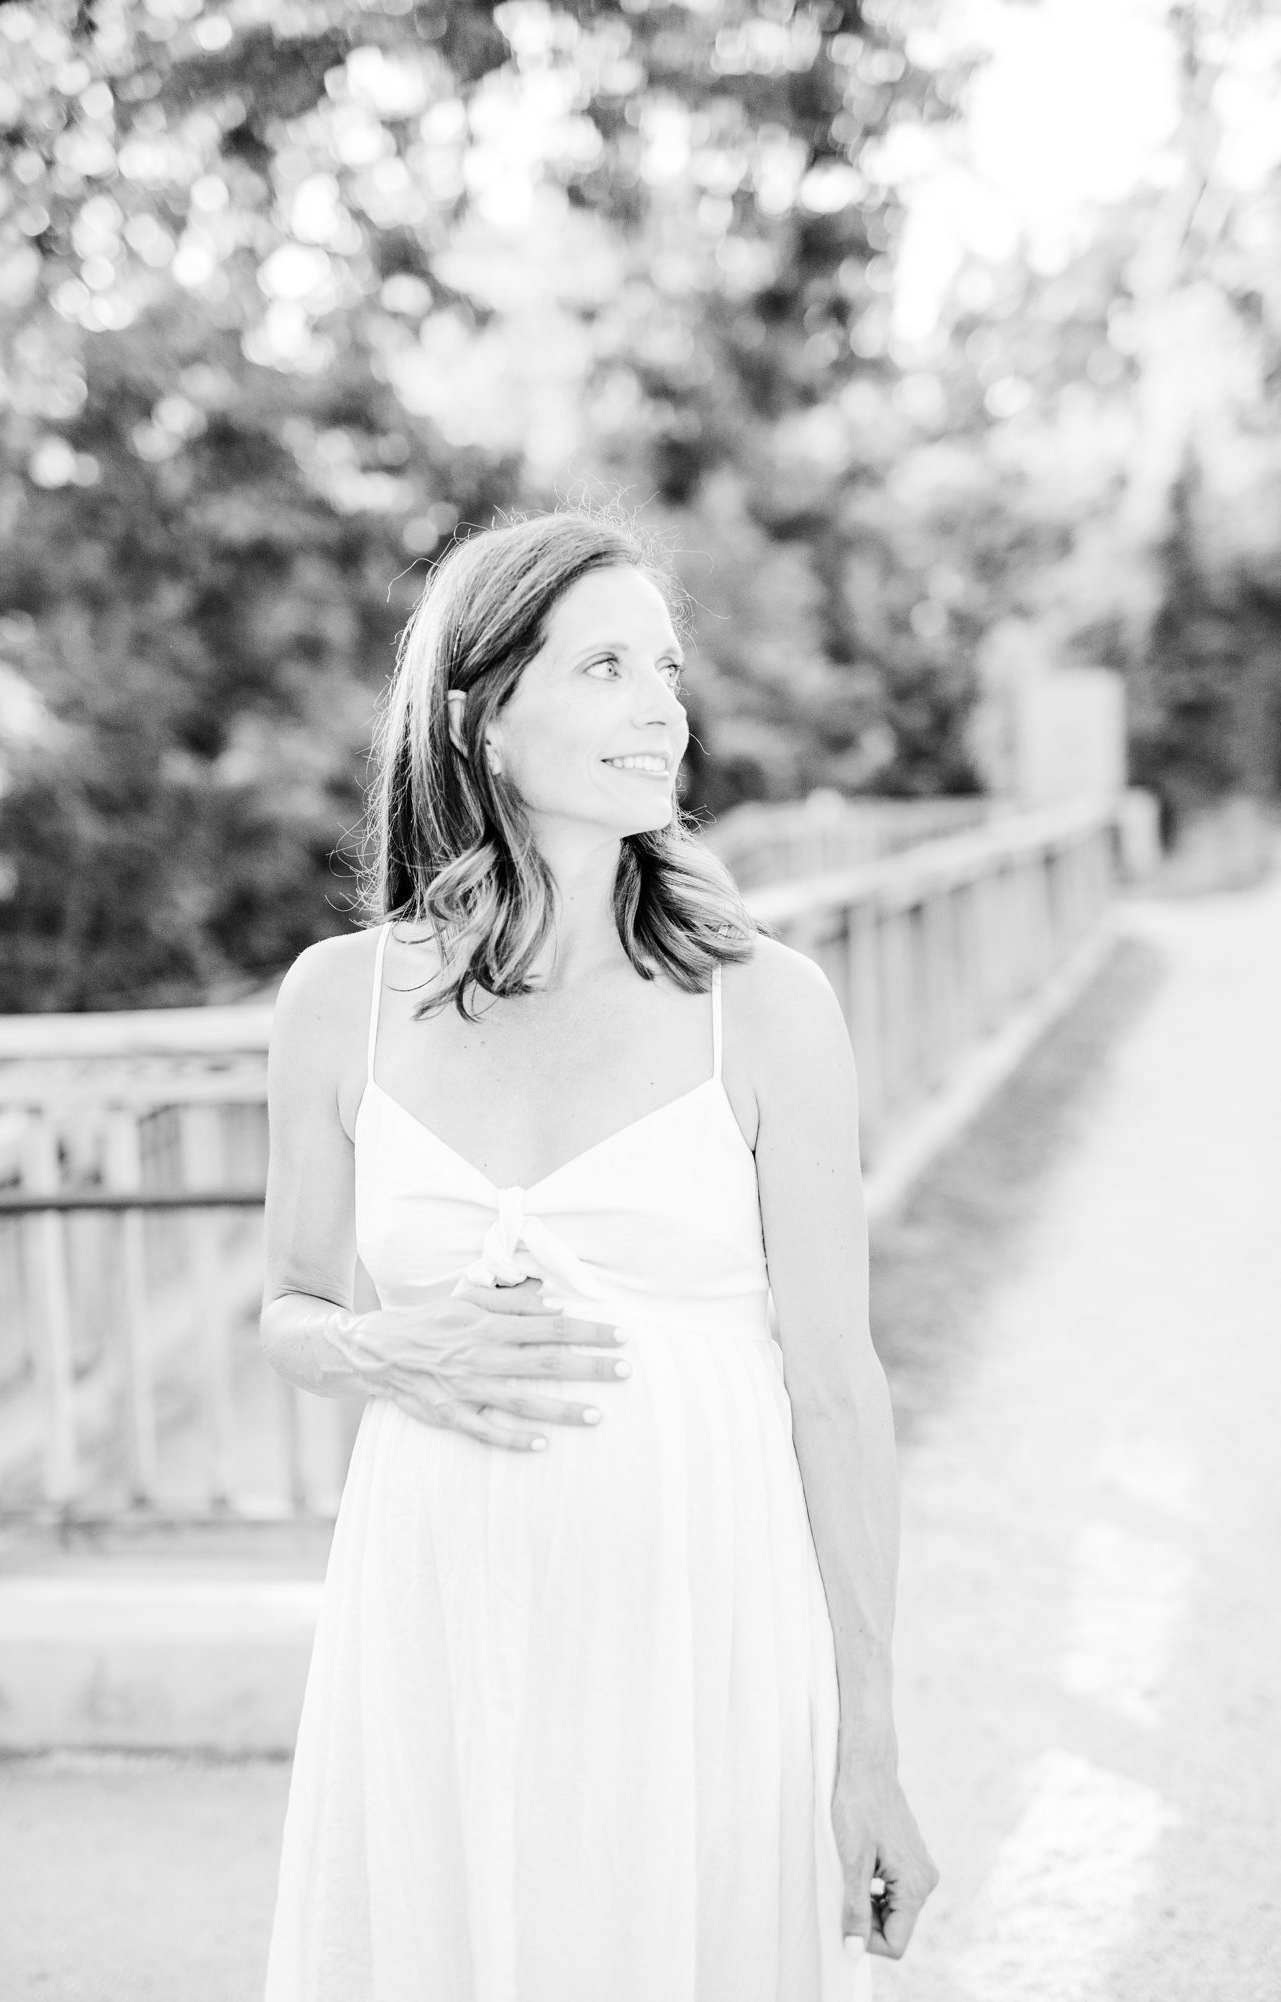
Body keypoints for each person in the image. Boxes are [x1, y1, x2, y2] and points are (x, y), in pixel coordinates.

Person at [259, 508, 937, 2001]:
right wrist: (373, 1345)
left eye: (669, 668)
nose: (663, 707)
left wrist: (869, 1736)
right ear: (483, 717)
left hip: (699, 1646)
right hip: (431, 1635)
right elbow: (288, 1304)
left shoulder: (764, 1007)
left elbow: (836, 1385)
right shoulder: (337, 1001)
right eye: (608, 666)